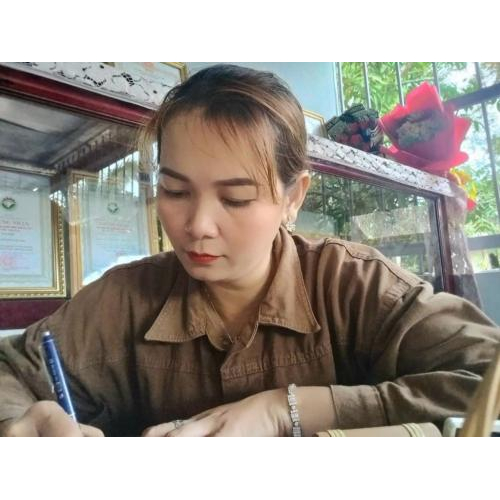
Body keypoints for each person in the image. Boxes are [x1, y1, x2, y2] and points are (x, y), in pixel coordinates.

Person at [1, 64, 499, 437]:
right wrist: (22, 425)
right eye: (175, 191)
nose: (197, 226)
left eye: (236, 198)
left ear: (293, 197)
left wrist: (288, 409)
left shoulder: (355, 285)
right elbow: (10, 370)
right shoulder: (122, 300)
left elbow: (487, 375)